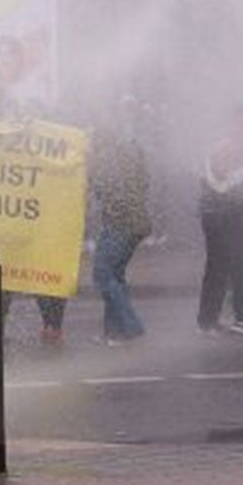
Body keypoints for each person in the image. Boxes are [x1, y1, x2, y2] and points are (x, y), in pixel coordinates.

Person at [198, 115, 243, 339]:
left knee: (217, 270)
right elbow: (227, 186)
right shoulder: (230, 150)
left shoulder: (223, 147)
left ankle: (207, 321)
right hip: (226, 217)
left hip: (215, 216)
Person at [90, 102, 153, 344]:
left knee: (103, 274)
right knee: (114, 274)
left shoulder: (106, 160)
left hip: (120, 224)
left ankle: (130, 326)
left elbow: (102, 189)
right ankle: (113, 332)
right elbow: (144, 182)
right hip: (136, 222)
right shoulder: (131, 152)